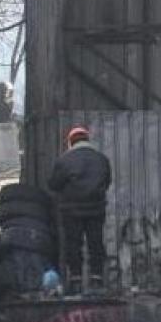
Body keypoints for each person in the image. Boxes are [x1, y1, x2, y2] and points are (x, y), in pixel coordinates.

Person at [48, 126, 112, 295]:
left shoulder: (64, 160)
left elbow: (53, 184)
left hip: (71, 210)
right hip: (96, 209)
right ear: (87, 140)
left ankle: (76, 281)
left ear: (71, 142)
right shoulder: (102, 159)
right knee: (95, 243)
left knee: (73, 245)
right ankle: (97, 280)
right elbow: (107, 181)